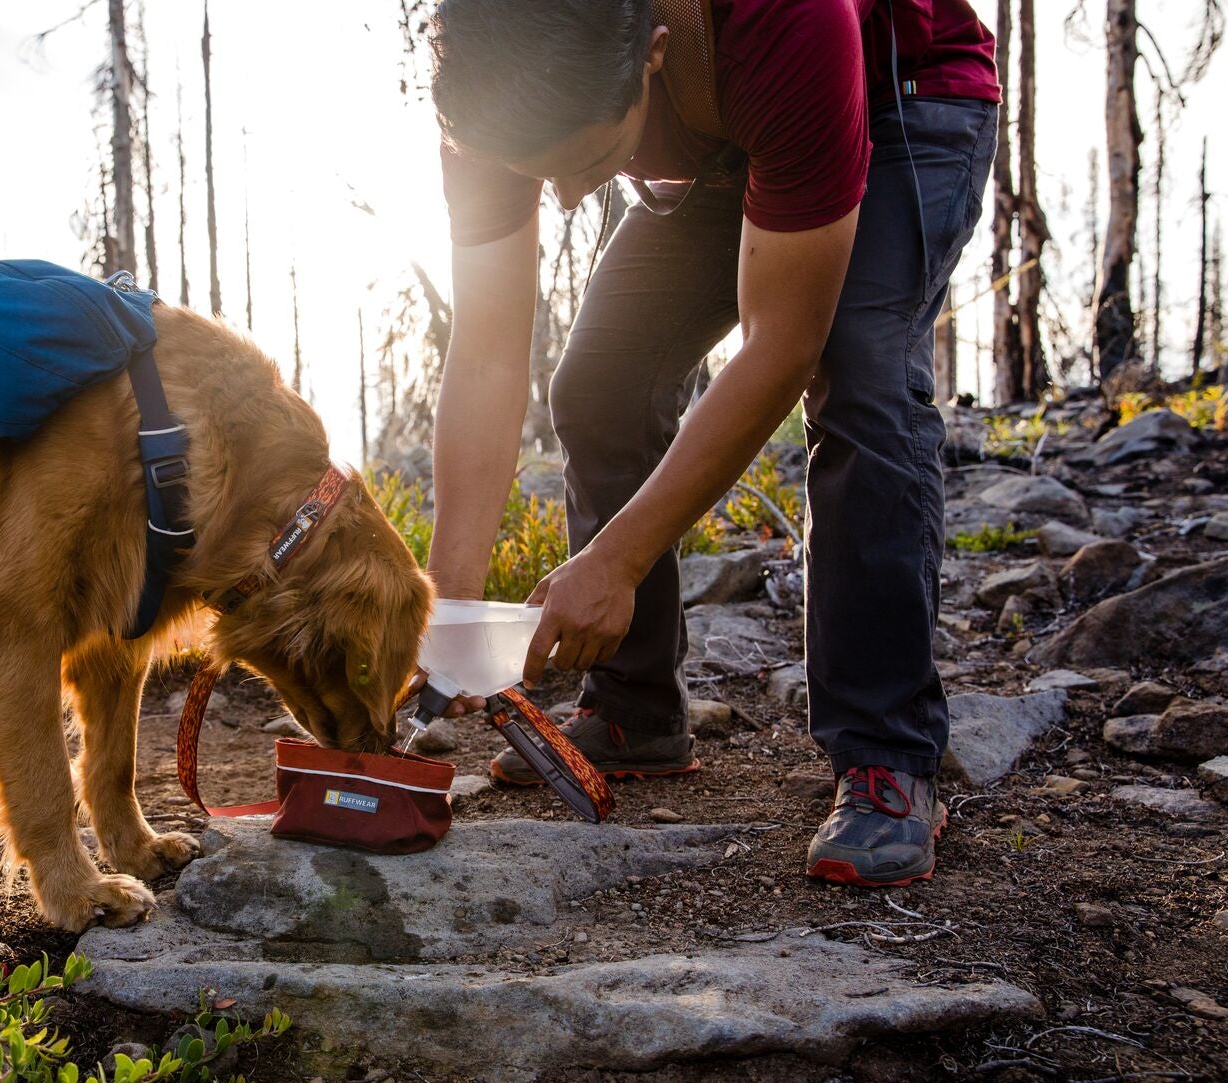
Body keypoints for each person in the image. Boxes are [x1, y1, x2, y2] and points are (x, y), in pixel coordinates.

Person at [425, 0, 999, 886]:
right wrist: (449, 607)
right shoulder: (491, 84)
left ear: (652, 52)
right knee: (601, 384)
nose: (573, 199)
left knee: (860, 373)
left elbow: (780, 347)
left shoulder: (786, 20)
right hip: (708, 143)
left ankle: (887, 753)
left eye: (582, 162)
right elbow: (490, 353)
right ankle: (634, 709)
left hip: (900, 97)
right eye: (536, 175)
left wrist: (614, 562)